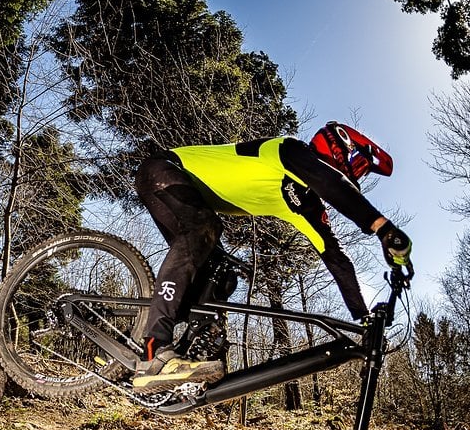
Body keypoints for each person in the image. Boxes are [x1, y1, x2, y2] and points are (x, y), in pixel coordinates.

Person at [132, 121, 412, 393]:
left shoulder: (305, 203)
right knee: (201, 231)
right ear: (339, 150)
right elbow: (329, 182)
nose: (355, 176)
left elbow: (336, 258)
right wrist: (383, 228)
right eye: (358, 168)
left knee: (223, 275)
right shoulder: (291, 151)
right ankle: (156, 349)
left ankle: (179, 354)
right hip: (165, 170)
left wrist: (363, 318)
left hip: (182, 192)